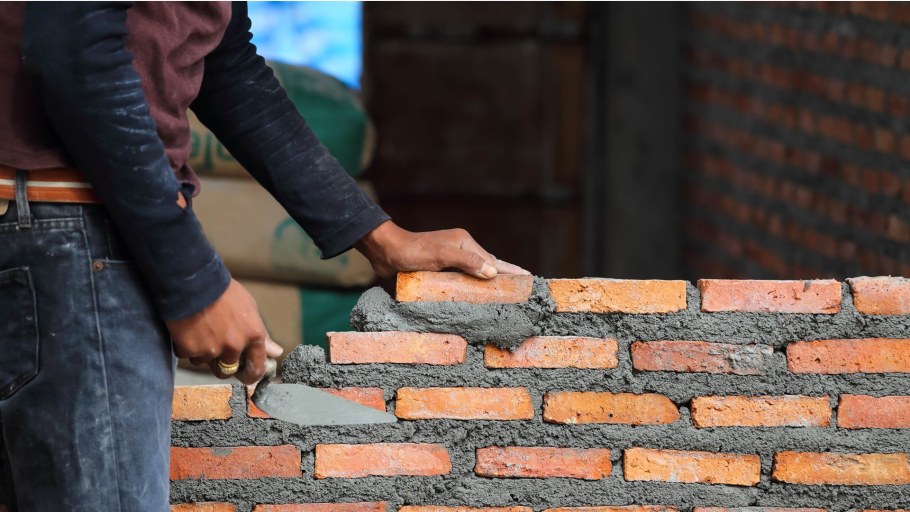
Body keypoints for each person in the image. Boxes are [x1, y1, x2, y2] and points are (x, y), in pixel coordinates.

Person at [0, 3, 528, 511]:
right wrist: (196, 285)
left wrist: (380, 237)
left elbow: (225, 60)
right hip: (58, 225)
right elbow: (71, 46)